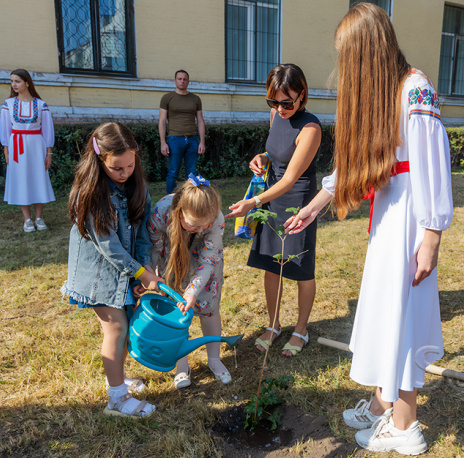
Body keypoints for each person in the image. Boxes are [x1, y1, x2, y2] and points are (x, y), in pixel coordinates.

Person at [285, 4, 453, 454]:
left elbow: (433, 162)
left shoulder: (414, 88)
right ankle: (383, 405)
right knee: (385, 311)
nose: (343, 66)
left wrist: (432, 233)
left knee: (402, 316)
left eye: (347, 54)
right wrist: (315, 207)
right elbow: (356, 165)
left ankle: (405, 426)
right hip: (390, 213)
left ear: (367, 51)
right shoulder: (384, 92)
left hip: (410, 217)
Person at [61, 122, 163, 418]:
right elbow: (109, 246)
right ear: (99, 160)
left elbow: (143, 233)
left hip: (124, 272)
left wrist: (142, 269)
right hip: (98, 275)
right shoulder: (91, 193)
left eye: (130, 165)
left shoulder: (137, 188)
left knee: (123, 325)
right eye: (117, 168)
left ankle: (117, 378)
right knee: (116, 328)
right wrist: (141, 273)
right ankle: (117, 399)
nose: (125, 173)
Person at [225, 64, 322, 358]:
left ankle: (301, 329)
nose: (280, 109)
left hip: (298, 204)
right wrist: (262, 156)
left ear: (302, 95)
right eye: (273, 102)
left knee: (301, 269)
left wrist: (253, 202)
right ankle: (274, 325)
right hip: (272, 199)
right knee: (272, 264)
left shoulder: (311, 128)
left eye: (287, 102)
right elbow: (277, 152)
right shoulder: (275, 115)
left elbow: (292, 177)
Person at [147, 175, 231, 388]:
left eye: (205, 226)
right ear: (179, 212)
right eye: (194, 225)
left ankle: (214, 359)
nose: (201, 230)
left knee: (209, 309)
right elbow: (153, 248)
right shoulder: (160, 213)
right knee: (176, 314)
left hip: (205, 266)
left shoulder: (216, 218)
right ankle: (181, 366)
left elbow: (208, 259)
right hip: (172, 262)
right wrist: (150, 274)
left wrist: (193, 291)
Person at [0, 69, 55, 232]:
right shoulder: (8, 104)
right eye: (11, 81)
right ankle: (27, 219)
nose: (13, 85)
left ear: (27, 82)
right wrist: (6, 151)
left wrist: (49, 152)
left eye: (17, 81)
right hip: (16, 145)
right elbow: (5, 129)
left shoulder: (40, 104)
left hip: (36, 145)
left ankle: (39, 217)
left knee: (38, 177)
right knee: (21, 179)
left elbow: (47, 130)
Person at [159, 69, 206, 195]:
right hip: (175, 139)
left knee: (192, 173)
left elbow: (200, 121)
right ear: (175, 81)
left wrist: (202, 142)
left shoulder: (195, 99)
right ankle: (170, 200)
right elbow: (162, 121)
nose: (182, 81)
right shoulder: (167, 98)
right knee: (173, 172)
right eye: (179, 79)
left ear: (188, 81)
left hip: (192, 139)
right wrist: (163, 142)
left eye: (185, 79)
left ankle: (190, 199)